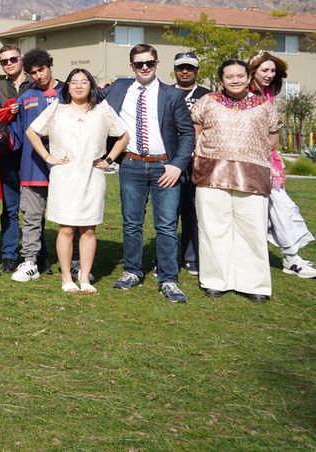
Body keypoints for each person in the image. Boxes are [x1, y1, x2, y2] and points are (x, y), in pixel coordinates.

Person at [103, 43, 195, 304]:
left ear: (157, 64)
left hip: (164, 167)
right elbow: (90, 98)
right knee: (131, 223)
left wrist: (177, 165)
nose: (144, 68)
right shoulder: (120, 88)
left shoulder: (172, 95)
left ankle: (168, 279)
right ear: (131, 66)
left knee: (166, 225)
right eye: (139, 64)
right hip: (130, 164)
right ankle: (132, 271)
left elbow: (187, 134)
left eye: (149, 63)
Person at [27, 69, 128, 293]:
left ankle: (84, 277)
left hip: (92, 176)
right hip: (64, 176)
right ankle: (66, 277)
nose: (79, 86)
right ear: (68, 87)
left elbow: (123, 135)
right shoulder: (57, 108)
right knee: (66, 229)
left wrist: (109, 159)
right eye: (74, 82)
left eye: (84, 82)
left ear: (91, 86)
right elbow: (32, 131)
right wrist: (47, 156)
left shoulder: (102, 110)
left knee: (88, 229)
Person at [190, 60, 281, 302]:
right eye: (229, 76)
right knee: (213, 227)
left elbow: (273, 137)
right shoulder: (207, 102)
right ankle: (216, 280)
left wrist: (254, 152)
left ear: (249, 77)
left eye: (240, 75)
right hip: (211, 172)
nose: (235, 80)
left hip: (251, 175)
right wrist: (197, 151)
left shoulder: (264, 106)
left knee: (252, 229)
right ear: (221, 80)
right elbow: (195, 128)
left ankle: (254, 284)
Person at [248, 50, 316, 278]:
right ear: (253, 70)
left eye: (272, 70)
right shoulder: (245, 95)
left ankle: (291, 257)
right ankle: (290, 258)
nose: (269, 74)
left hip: (269, 160)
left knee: (280, 208)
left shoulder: (267, 93)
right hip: (249, 161)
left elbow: (273, 131)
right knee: (274, 209)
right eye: (264, 70)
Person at [8, 48, 65, 283]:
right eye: (33, 72)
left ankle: (73, 263)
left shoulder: (69, 91)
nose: (38, 76)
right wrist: (0, 127)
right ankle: (30, 262)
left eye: (41, 70)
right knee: (31, 217)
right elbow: (16, 136)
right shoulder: (25, 98)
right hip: (32, 167)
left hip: (65, 167)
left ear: (50, 65)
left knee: (70, 218)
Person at [172, 52, 210, 276]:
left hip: (197, 161)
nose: (185, 71)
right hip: (170, 160)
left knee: (192, 211)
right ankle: (165, 258)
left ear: (197, 70)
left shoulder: (208, 95)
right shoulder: (165, 91)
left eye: (189, 67)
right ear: (174, 69)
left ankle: (190, 256)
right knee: (168, 212)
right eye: (180, 67)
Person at [0, 44, 31, 272]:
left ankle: (36, 254)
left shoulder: (36, 83)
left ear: (22, 59)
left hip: (32, 154)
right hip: (6, 153)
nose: (9, 64)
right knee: (9, 207)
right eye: (4, 61)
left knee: (33, 208)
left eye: (13, 59)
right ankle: (9, 254)